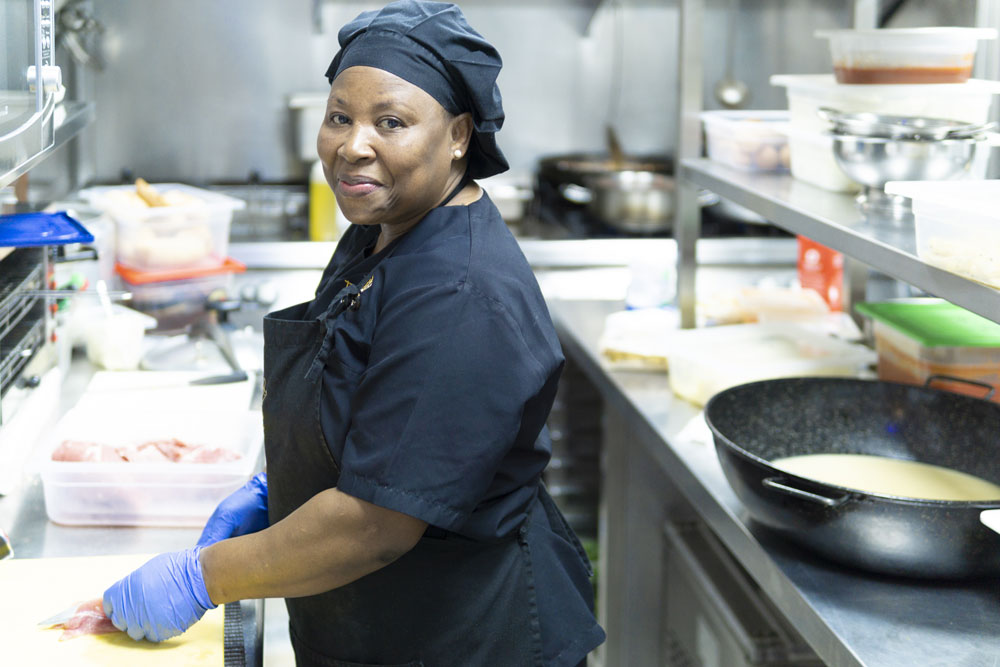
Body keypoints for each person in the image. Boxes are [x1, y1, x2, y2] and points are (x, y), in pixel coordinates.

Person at [102, 1, 606, 664]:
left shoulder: (461, 295)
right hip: (379, 618)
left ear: (458, 135)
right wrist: (281, 489)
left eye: (390, 122)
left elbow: (376, 524)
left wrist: (203, 577)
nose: (352, 144)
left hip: (462, 635)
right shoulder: (386, 225)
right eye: (340, 116)